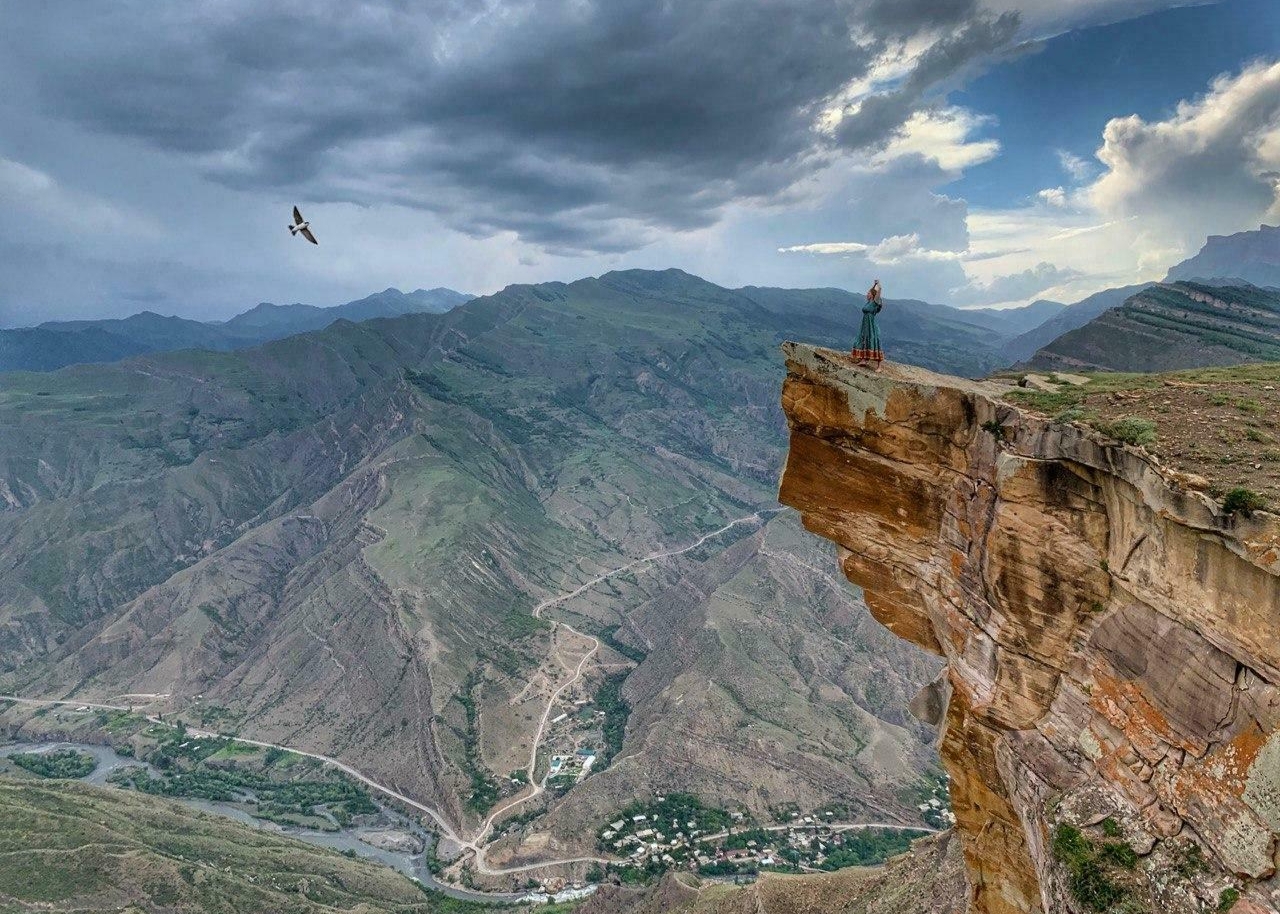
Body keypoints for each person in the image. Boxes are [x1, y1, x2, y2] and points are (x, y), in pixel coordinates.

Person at [852, 279, 884, 369]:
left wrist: (878, 285)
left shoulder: (875, 303)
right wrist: (874, 285)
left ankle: (879, 366)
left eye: (869, 293)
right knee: (864, 340)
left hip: (871, 325)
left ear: (872, 295)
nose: (867, 294)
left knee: (874, 341)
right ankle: (864, 360)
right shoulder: (869, 303)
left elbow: (878, 293)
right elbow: (874, 291)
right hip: (865, 325)